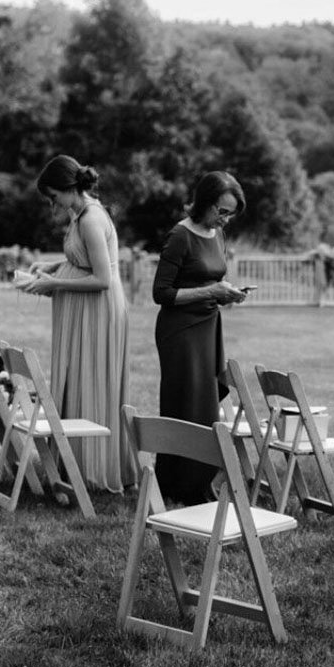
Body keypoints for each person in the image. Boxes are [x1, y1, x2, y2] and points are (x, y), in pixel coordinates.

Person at [21, 155, 131, 494]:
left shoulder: (91, 219)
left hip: (97, 312)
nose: (52, 204)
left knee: (91, 382)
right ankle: (74, 464)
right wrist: (54, 265)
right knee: (79, 380)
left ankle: (93, 468)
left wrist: (54, 285)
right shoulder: (79, 215)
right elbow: (83, 258)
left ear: (69, 188)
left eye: (54, 196)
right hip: (83, 312)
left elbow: (102, 278)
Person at [151, 171, 249, 504]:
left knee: (206, 406)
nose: (224, 219)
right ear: (204, 202)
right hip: (180, 333)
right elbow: (161, 293)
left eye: (230, 214)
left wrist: (227, 294)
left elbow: (212, 280)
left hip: (209, 327)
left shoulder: (217, 235)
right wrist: (211, 290)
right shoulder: (180, 235)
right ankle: (175, 485)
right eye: (221, 211)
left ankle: (198, 483)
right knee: (185, 405)